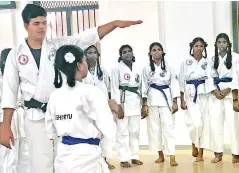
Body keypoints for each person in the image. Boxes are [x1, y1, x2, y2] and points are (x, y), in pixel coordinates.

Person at [0, 3, 142, 173]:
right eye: (36, 23)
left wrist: (114, 24)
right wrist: (5, 125)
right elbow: (10, 91)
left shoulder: (55, 46)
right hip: (34, 117)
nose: (42, 27)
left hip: (61, 114)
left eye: (44, 23)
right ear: (26, 26)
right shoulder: (16, 55)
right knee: (40, 165)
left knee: (65, 162)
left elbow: (84, 37)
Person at [45, 45, 116, 173]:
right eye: (85, 61)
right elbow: (108, 128)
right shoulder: (91, 92)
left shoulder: (54, 95)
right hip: (88, 157)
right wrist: (106, 151)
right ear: (80, 65)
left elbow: (50, 131)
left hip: (63, 156)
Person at [141, 42, 179, 166]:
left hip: (166, 99)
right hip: (152, 99)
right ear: (150, 53)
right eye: (154, 50)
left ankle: (172, 155)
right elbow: (144, 86)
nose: (156, 52)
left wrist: (175, 101)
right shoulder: (146, 68)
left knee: (169, 127)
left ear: (162, 52)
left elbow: (174, 84)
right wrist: (144, 104)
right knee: (154, 128)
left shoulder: (169, 67)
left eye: (158, 50)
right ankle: (160, 154)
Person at [209, 33, 239, 163]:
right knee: (216, 124)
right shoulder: (212, 59)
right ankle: (218, 153)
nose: (221, 44)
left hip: (230, 93)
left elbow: (237, 76)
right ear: (216, 44)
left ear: (228, 44)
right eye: (219, 42)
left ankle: (236, 153)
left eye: (224, 42)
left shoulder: (236, 57)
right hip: (216, 95)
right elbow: (209, 77)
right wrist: (215, 91)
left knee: (233, 125)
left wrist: (228, 90)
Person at [179, 37, 212, 162]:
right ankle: (194, 143)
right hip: (190, 94)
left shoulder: (207, 62)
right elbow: (181, 80)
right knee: (195, 123)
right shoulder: (185, 62)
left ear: (204, 48)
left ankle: (201, 152)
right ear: (192, 47)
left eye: (201, 46)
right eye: (196, 46)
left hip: (204, 93)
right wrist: (181, 99)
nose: (199, 48)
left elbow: (210, 78)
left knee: (203, 123)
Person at [111, 45, 143, 168]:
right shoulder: (116, 69)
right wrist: (118, 106)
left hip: (135, 102)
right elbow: (114, 88)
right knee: (122, 132)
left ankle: (135, 156)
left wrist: (143, 104)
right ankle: (123, 158)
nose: (127, 54)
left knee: (135, 131)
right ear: (121, 55)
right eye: (124, 52)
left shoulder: (138, 68)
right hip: (123, 103)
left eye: (129, 51)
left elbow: (141, 87)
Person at [83, 45, 115, 169]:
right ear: (85, 56)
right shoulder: (82, 72)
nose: (92, 55)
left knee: (105, 134)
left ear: (98, 55)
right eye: (89, 53)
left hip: (103, 108)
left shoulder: (103, 71)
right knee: (91, 134)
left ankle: (104, 159)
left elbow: (109, 90)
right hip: (89, 109)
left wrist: (112, 107)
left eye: (94, 52)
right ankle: (93, 161)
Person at [0, 48, 29, 173]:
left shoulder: (21, 76)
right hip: (5, 121)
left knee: (25, 158)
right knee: (8, 158)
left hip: (22, 120)